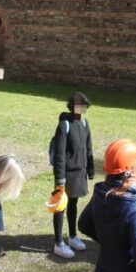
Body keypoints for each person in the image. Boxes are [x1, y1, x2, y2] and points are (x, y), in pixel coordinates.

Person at [79, 138, 136, 272]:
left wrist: (110, 244)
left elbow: (84, 224)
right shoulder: (135, 205)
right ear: (130, 171)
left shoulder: (101, 192)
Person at [51, 91, 95, 259]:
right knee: (60, 206)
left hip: (79, 173)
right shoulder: (64, 125)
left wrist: (90, 169)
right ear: (72, 106)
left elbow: (88, 148)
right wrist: (60, 179)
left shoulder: (84, 123)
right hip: (66, 174)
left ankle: (72, 236)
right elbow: (60, 154)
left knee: (73, 204)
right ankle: (58, 243)